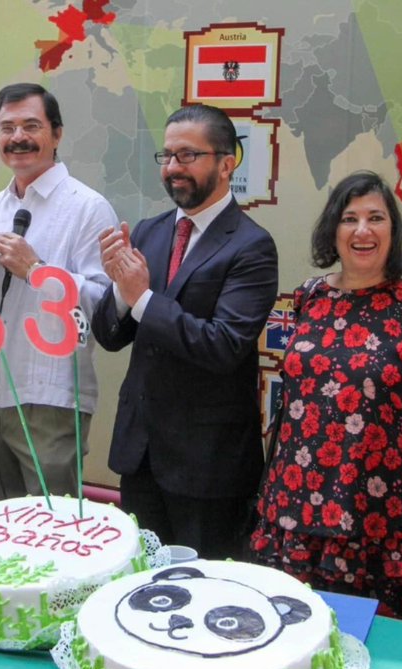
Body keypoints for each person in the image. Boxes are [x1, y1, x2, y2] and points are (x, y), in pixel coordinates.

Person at [249, 171, 402, 620]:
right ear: (334, 230)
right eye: (350, 219)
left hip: (376, 524)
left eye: (376, 218)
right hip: (292, 516)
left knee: (370, 649)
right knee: (292, 642)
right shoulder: (310, 297)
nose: (363, 230)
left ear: (393, 230)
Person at [92, 104, 278, 560]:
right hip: (141, 455)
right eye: (168, 156)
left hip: (208, 465)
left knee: (201, 593)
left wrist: (142, 297)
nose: (173, 168)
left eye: (188, 156)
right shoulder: (150, 232)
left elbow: (223, 345)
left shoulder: (251, 245)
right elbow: (111, 335)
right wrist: (119, 290)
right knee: (138, 584)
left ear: (226, 163)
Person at [0, 82, 115, 502]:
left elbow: (106, 306)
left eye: (31, 125)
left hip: (54, 395)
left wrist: (36, 270)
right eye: (6, 127)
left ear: (57, 134)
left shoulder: (88, 207)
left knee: (53, 528)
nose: (18, 138)